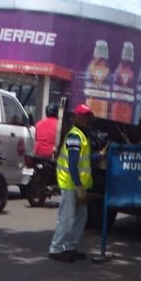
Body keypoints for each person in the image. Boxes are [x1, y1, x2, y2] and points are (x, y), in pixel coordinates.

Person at [48, 103, 96, 262]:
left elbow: (84, 160)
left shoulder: (82, 136)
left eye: (88, 117)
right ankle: (55, 249)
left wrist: (99, 156)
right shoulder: (75, 136)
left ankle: (70, 247)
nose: (86, 120)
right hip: (71, 183)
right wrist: (78, 185)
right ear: (77, 118)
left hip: (77, 184)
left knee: (81, 216)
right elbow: (73, 163)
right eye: (84, 116)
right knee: (67, 216)